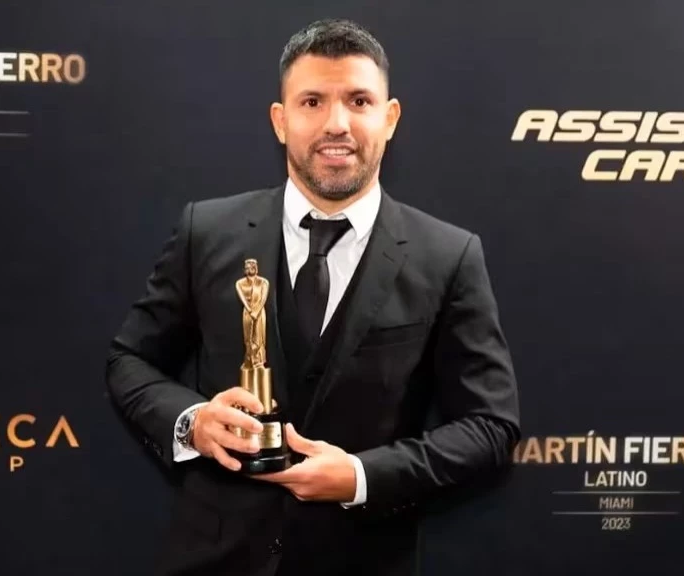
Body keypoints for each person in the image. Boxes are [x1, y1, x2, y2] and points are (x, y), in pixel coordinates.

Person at [105, 18, 520, 576]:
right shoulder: (207, 231)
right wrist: (193, 421)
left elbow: (491, 426)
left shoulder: (448, 256)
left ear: (390, 117)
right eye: (312, 102)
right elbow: (129, 359)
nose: (336, 124)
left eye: (359, 101)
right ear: (281, 121)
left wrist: (361, 477)